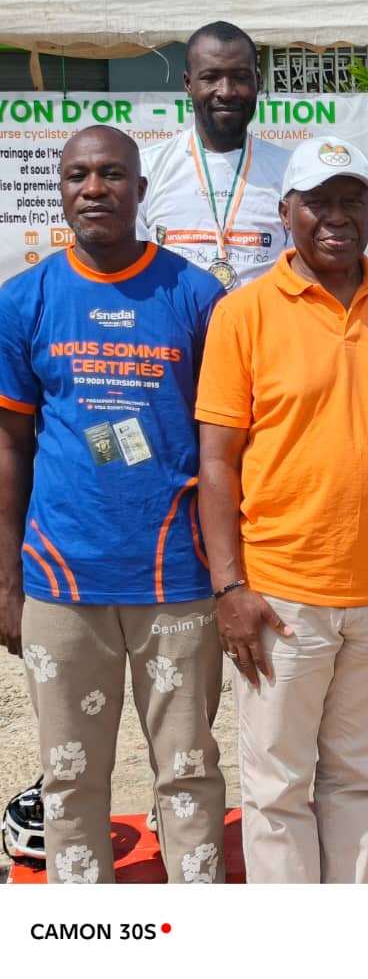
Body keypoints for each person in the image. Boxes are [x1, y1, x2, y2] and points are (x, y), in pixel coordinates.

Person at [195, 135, 368, 883]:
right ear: (286, 212)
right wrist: (231, 588)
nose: (337, 217)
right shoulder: (243, 314)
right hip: (281, 597)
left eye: (351, 201)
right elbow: (215, 462)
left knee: (361, 779)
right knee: (278, 791)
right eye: (319, 202)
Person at [0, 125, 226, 883]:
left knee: (189, 776)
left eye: (111, 174)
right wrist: (7, 581)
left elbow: (226, 449)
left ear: (140, 189)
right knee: (70, 781)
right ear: (59, 189)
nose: (93, 188)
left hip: (179, 583)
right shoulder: (23, 300)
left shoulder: (196, 296)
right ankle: (83, 938)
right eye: (77, 175)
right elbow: (10, 448)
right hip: (62, 584)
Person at [138, 21, 291, 291]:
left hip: (260, 331)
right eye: (211, 77)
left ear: (258, 81)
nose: (227, 91)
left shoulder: (290, 171)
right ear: (188, 83)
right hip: (178, 331)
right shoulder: (147, 169)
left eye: (240, 77)